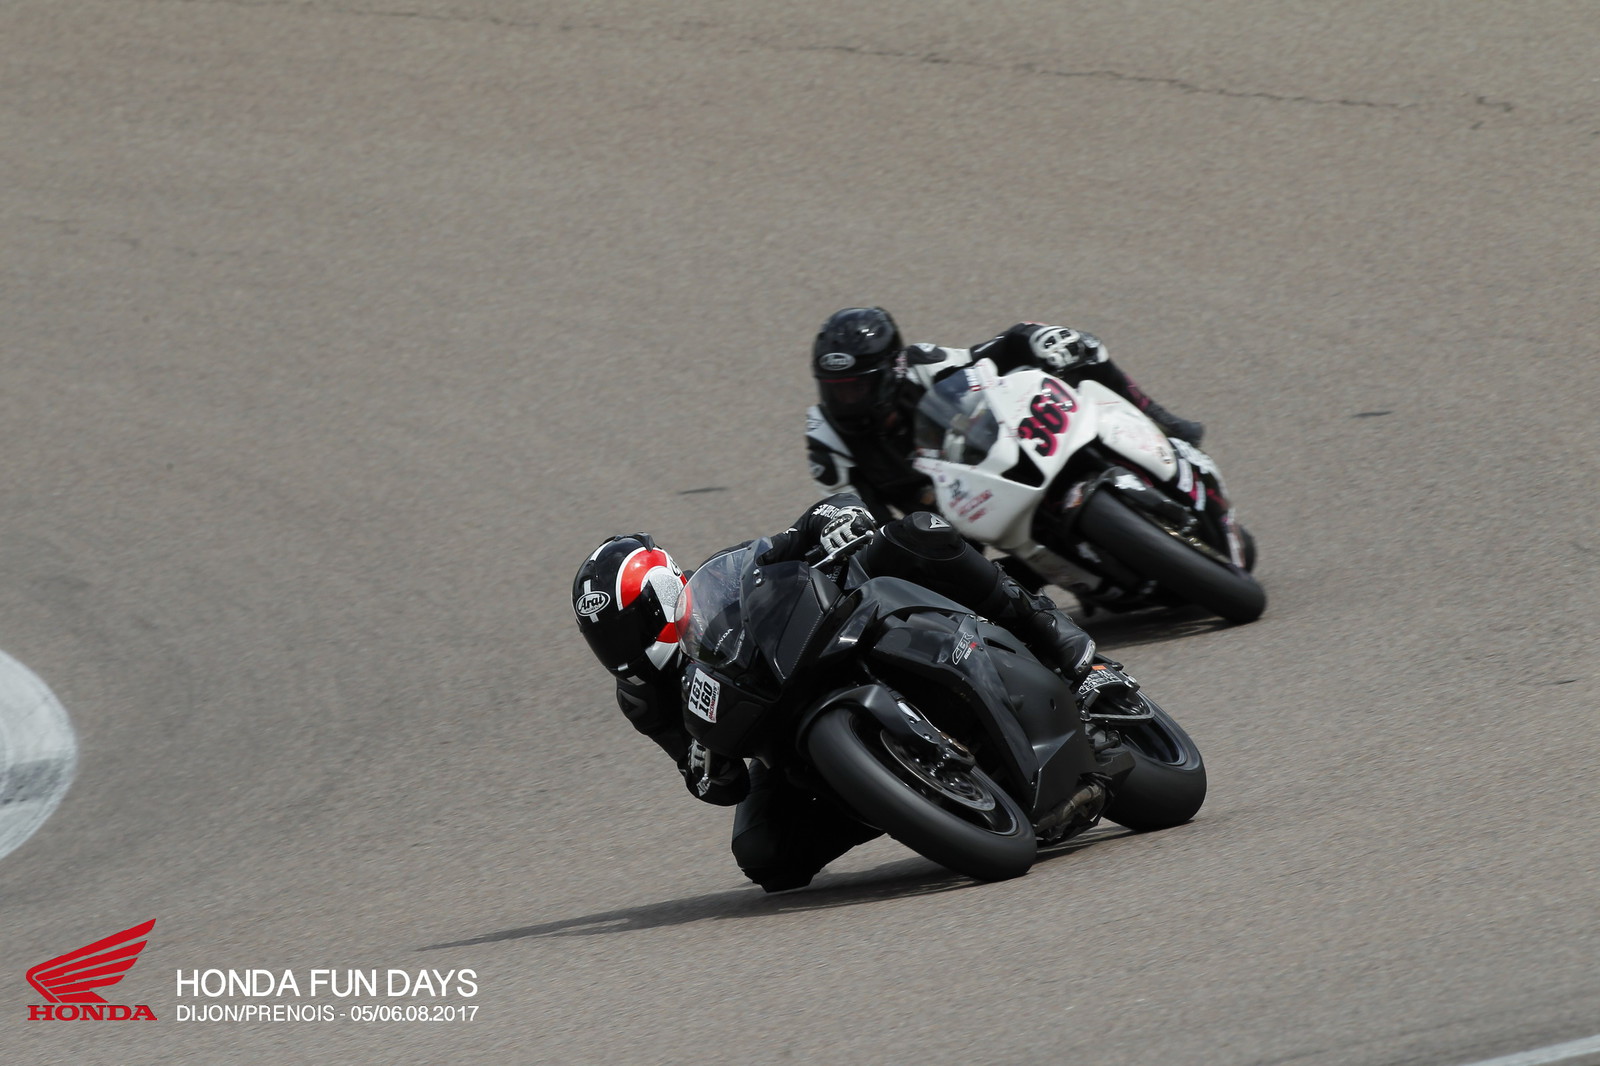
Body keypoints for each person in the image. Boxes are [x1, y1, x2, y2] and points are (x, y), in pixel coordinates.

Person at [572, 494, 1118, 893]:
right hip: (781, 733)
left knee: (916, 533)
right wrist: (702, 766)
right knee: (764, 857)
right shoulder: (642, 699)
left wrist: (836, 520)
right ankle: (900, 801)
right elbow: (718, 783)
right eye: (606, 639)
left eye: (628, 627)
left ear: (662, 592)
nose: (623, 648)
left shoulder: (717, 587)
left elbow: (801, 529)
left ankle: (1057, 639)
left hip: (842, 638)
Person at [806, 307, 1206, 524]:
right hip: (945, 527)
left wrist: (1036, 339)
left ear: (890, 373)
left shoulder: (921, 365)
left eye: (858, 388)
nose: (848, 401)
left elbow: (993, 352)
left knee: (1083, 347)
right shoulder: (826, 440)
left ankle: (1160, 420)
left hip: (991, 461)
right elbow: (864, 519)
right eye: (836, 390)